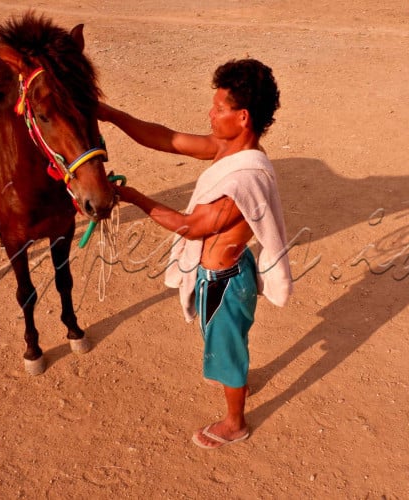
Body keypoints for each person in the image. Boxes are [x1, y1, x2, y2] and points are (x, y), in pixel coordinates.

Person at [98, 59, 292, 449]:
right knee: (227, 343)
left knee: (226, 349)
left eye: (219, 108)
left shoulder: (244, 179)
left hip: (225, 284)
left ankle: (235, 421)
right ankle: (235, 377)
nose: (210, 113)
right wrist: (109, 114)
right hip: (220, 277)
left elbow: (191, 226)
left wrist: (133, 196)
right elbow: (165, 138)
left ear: (242, 117)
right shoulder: (227, 148)